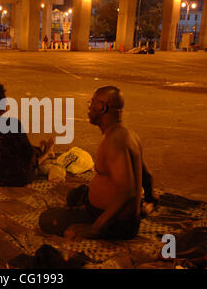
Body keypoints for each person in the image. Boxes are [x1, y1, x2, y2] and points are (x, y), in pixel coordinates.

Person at [39, 86, 157, 240]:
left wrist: (95, 228)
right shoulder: (128, 134)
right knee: (76, 195)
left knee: (47, 219)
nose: (88, 108)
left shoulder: (114, 141)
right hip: (121, 218)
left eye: (91, 103)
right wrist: (149, 202)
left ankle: (98, 224)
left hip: (116, 224)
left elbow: (128, 191)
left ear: (103, 107)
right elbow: (147, 175)